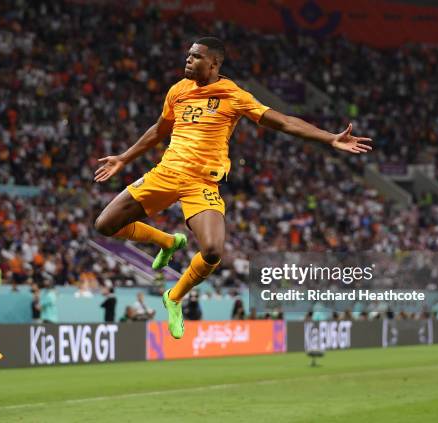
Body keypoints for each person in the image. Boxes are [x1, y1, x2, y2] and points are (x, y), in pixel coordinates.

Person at [94, 37, 373, 339]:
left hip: (201, 182)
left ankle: (174, 297)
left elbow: (282, 122)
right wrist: (124, 157)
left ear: (213, 64)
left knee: (213, 251)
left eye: (196, 56)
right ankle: (168, 242)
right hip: (165, 173)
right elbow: (160, 130)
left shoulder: (233, 95)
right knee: (105, 225)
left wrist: (328, 137)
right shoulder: (178, 90)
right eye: (187, 54)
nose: (188, 60)